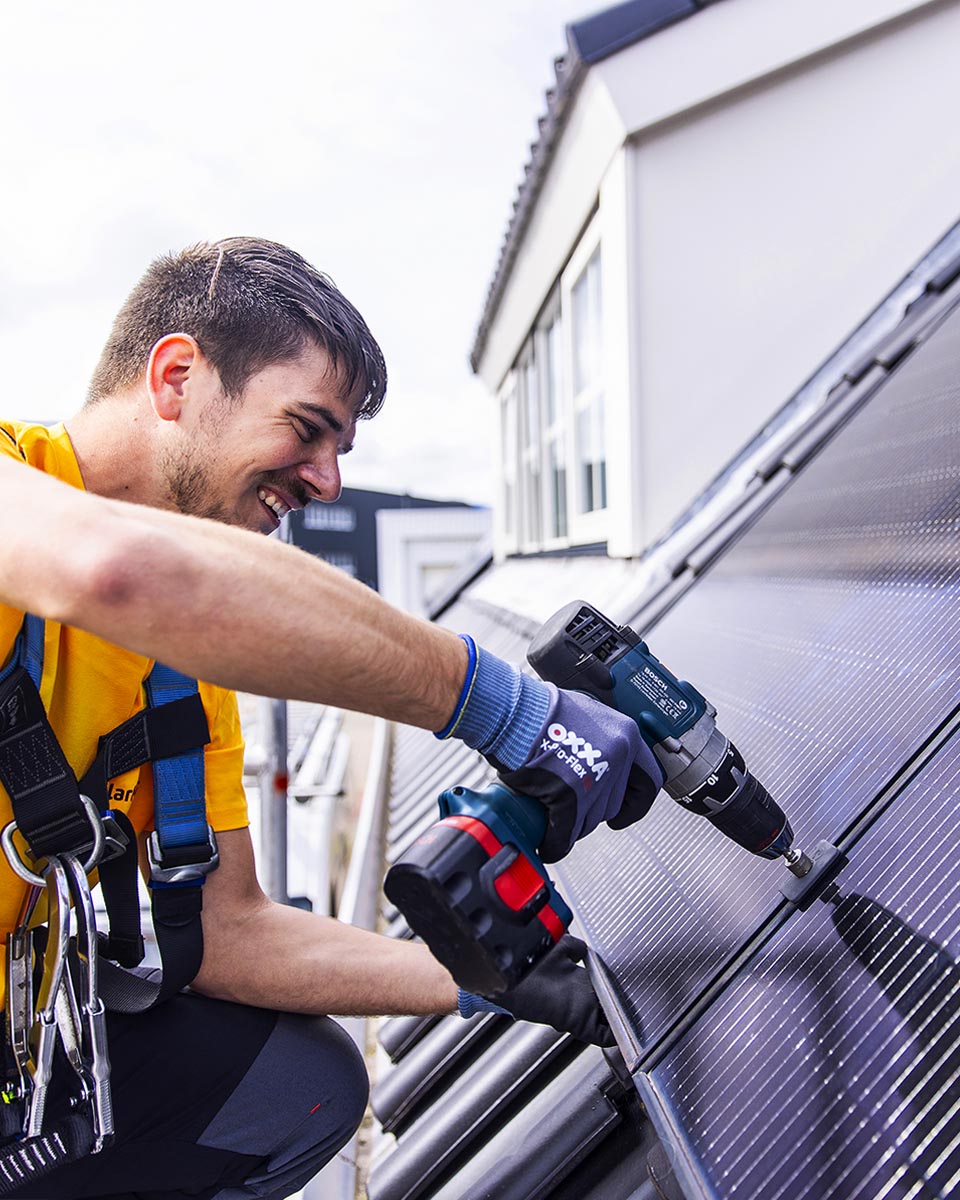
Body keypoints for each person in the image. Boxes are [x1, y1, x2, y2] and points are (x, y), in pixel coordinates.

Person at [0, 237, 662, 1198]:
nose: (326, 483)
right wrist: (503, 708)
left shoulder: (179, 678)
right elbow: (119, 570)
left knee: (301, 1085)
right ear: (177, 377)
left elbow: (229, 931)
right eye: (307, 429)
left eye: (340, 451)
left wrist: (493, 976)